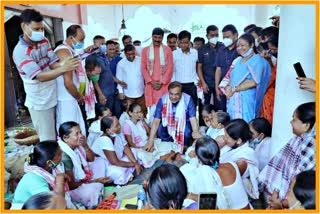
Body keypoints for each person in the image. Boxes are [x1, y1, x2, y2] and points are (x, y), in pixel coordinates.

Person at [13, 9, 79, 141]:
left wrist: (64, 63)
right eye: (36, 29)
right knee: (47, 138)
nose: (40, 32)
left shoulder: (44, 41)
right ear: (24, 26)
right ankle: (48, 160)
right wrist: (63, 68)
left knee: (59, 132)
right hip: (39, 101)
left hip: (53, 93)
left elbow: (52, 62)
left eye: (42, 29)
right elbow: (40, 76)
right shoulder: (20, 51)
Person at [259, 102, 315, 209]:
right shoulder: (298, 139)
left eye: (294, 119)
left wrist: (282, 203)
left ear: (306, 125)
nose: (290, 122)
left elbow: (299, 182)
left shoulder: (310, 147)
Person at [180, 137, 250, 209]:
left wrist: (190, 195)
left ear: (199, 158)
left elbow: (210, 205)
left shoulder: (207, 176)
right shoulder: (232, 164)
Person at [55, 25, 97, 135]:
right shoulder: (64, 52)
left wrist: (85, 51)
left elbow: (77, 57)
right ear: (70, 38)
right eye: (81, 39)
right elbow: (68, 83)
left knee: (77, 130)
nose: (83, 42)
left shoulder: (70, 50)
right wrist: (79, 97)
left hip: (71, 98)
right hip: (67, 99)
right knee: (71, 133)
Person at [58, 122, 110, 208]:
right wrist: (95, 181)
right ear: (65, 138)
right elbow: (71, 185)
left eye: (80, 132)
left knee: (99, 161)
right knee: (91, 191)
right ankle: (96, 190)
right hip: (72, 189)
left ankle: (98, 187)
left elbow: (91, 159)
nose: (81, 136)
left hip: (84, 178)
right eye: (77, 134)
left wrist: (85, 145)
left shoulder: (76, 146)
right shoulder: (65, 155)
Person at [223, 33, 271, 123]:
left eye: (242, 45)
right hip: (234, 99)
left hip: (247, 99)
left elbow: (255, 81)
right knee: (234, 124)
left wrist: (235, 89)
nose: (239, 48)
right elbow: (231, 79)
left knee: (247, 123)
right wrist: (229, 88)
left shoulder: (258, 60)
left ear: (252, 44)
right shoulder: (237, 61)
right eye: (238, 46)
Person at [12, 141, 74, 209]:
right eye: (59, 154)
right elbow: (56, 204)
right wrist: (60, 181)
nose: (62, 152)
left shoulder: (52, 168)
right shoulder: (33, 179)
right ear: (49, 162)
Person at [143, 82, 201, 153]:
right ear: (168, 93)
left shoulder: (188, 99)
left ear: (181, 93)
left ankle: (184, 148)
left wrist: (195, 131)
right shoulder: (163, 99)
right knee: (160, 130)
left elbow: (192, 118)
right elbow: (156, 121)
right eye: (171, 94)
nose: (173, 97)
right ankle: (168, 146)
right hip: (168, 123)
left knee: (187, 132)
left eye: (176, 94)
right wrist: (150, 140)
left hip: (183, 124)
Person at [91, 116, 143, 185]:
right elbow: (115, 162)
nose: (119, 127)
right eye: (116, 126)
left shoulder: (118, 133)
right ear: (108, 130)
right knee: (120, 172)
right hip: (106, 167)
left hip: (118, 160)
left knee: (133, 151)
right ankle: (129, 173)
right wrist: (135, 164)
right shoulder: (104, 140)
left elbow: (126, 148)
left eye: (119, 124)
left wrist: (135, 163)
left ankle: (130, 172)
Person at [221, 119, 260, 199]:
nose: (224, 138)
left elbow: (226, 177)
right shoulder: (231, 146)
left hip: (236, 194)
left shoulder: (244, 158)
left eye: (227, 137)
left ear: (239, 141)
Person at [141, 27, 173, 124]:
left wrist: (162, 82)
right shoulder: (145, 50)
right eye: (155, 37)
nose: (157, 40)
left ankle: (163, 132)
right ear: (152, 37)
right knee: (153, 111)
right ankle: (152, 132)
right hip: (151, 86)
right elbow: (143, 67)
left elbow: (170, 67)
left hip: (163, 86)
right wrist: (150, 82)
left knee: (165, 109)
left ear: (162, 38)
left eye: (159, 38)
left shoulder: (167, 50)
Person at [197, 25, 224, 106]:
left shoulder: (222, 47)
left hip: (220, 82)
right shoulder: (202, 49)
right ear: (207, 36)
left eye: (216, 35)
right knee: (205, 107)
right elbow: (199, 67)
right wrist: (203, 82)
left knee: (220, 106)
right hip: (207, 82)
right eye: (212, 35)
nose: (214, 37)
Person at [116, 44, 147, 116]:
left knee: (143, 113)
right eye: (128, 54)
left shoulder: (140, 60)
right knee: (130, 114)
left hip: (141, 93)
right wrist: (120, 92)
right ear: (125, 54)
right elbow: (118, 79)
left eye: (133, 53)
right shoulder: (121, 64)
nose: (131, 56)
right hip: (128, 95)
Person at [215, 24, 239, 112]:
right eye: (224, 37)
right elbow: (218, 69)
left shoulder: (241, 49)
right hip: (222, 87)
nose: (226, 40)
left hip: (236, 87)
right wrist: (217, 87)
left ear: (236, 35)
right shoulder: (221, 49)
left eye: (228, 37)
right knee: (222, 112)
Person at [172, 30, 198, 107]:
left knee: (192, 107)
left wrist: (198, 80)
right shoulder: (174, 54)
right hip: (179, 85)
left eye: (186, 43)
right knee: (180, 107)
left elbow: (197, 67)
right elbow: (172, 70)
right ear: (178, 42)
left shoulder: (195, 53)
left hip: (192, 85)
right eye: (181, 42)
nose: (183, 45)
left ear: (189, 42)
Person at [259, 34, 278, 125]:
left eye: (274, 50)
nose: (272, 52)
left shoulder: (283, 60)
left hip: (272, 94)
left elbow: (271, 77)